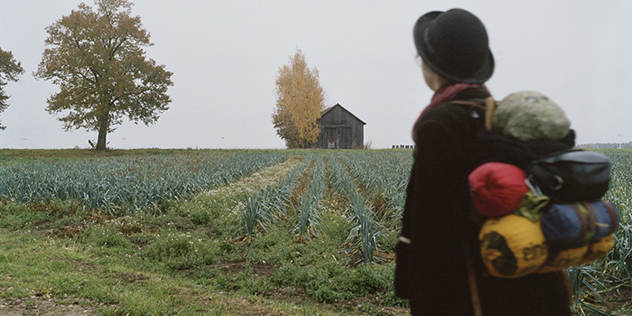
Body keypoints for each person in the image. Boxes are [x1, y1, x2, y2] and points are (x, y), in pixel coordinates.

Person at [394, 8, 572, 316]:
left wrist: (421, 293)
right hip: (528, 282)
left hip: (475, 292)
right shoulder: (501, 114)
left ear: (431, 66)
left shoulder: (439, 123)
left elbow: (431, 225)